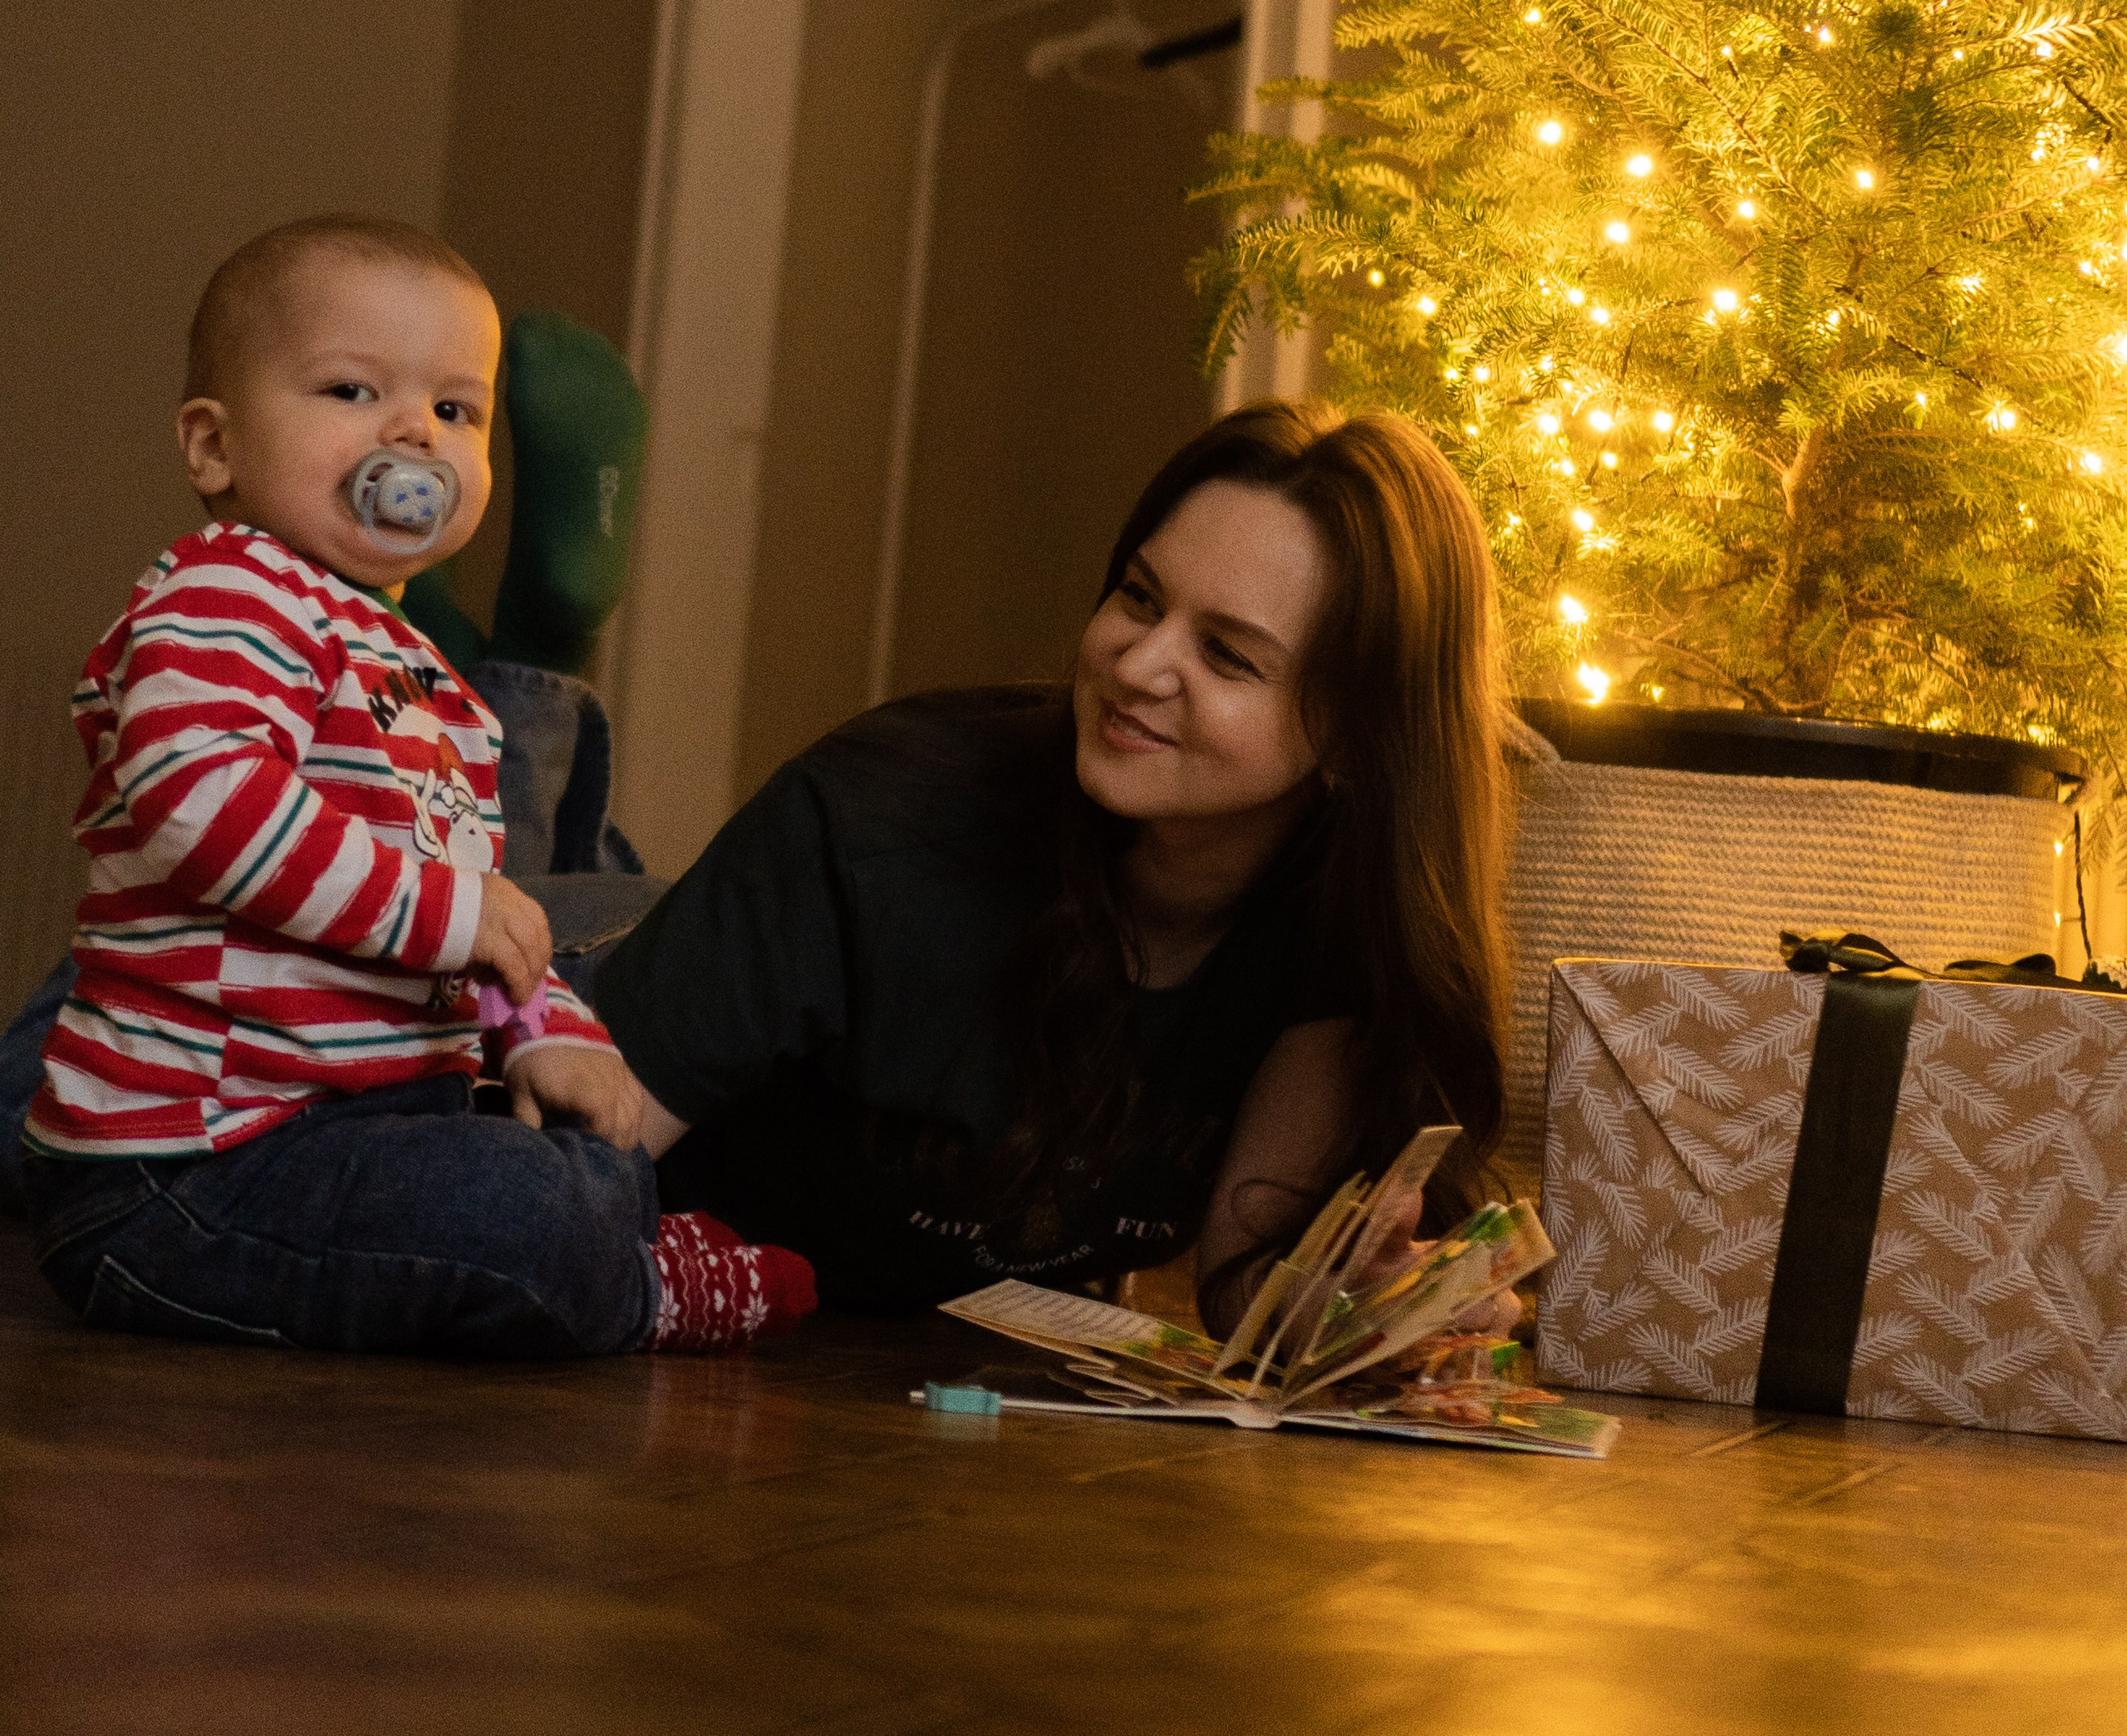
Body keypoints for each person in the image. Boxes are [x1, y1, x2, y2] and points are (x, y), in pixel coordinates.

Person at [19, 215, 811, 1359]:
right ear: (214, 447)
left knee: (589, 1139)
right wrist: (452, 913)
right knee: (521, 1210)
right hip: (190, 1172)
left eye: (456, 410)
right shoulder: (225, 595)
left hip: (355, 1132)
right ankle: (626, 1283)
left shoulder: (422, 676)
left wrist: (540, 1033)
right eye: (351, 390)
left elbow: (471, 917)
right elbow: (201, 798)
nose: (413, 433)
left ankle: (606, 1239)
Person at [597, 399, 1512, 1334]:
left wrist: (1375, 1313)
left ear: (1358, 734)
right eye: (1140, 597)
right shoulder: (876, 822)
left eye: (1227, 655)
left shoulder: (1336, 919)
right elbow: (571, 1177)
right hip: (636, 1238)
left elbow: (1247, 1291)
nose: (1136, 665)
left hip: (895, 1369)